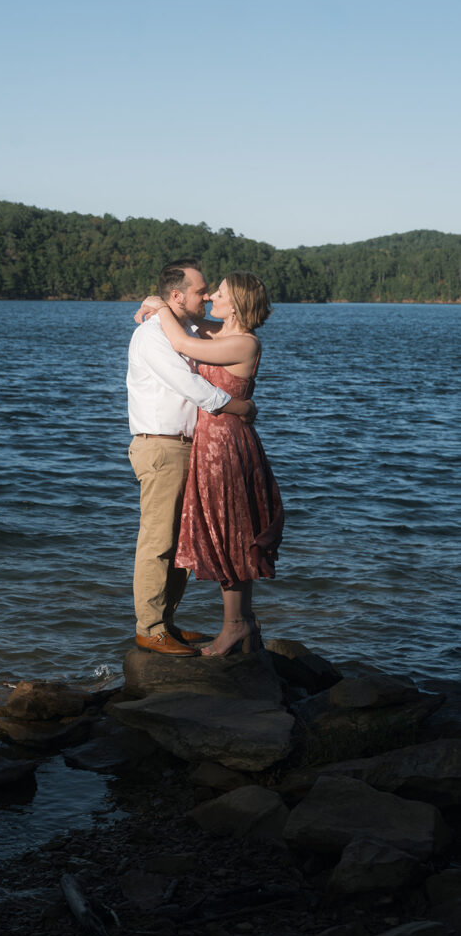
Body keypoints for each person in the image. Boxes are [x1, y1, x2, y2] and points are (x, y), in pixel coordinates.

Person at [138, 271, 284, 656]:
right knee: (226, 530)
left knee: (232, 533)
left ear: (234, 303)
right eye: (208, 291)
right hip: (212, 444)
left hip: (225, 446)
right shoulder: (219, 335)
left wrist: (160, 305)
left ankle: (235, 626)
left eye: (217, 293)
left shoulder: (243, 343)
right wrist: (159, 304)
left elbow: (183, 338)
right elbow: (191, 324)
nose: (211, 297)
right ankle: (243, 625)